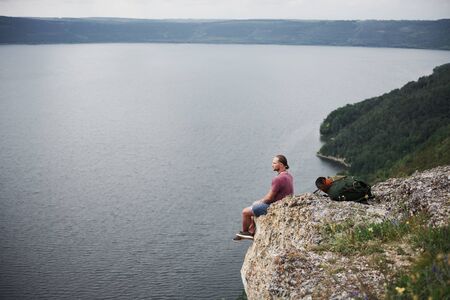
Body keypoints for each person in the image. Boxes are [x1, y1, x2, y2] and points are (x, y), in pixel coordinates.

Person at [234, 155, 294, 241]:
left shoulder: (278, 179)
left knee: (245, 212)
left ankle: (245, 232)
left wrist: (259, 202)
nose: (272, 165)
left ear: (280, 164)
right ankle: (252, 231)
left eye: (274, 163)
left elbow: (269, 198)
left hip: (275, 207)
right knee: (254, 209)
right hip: (284, 205)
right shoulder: (289, 176)